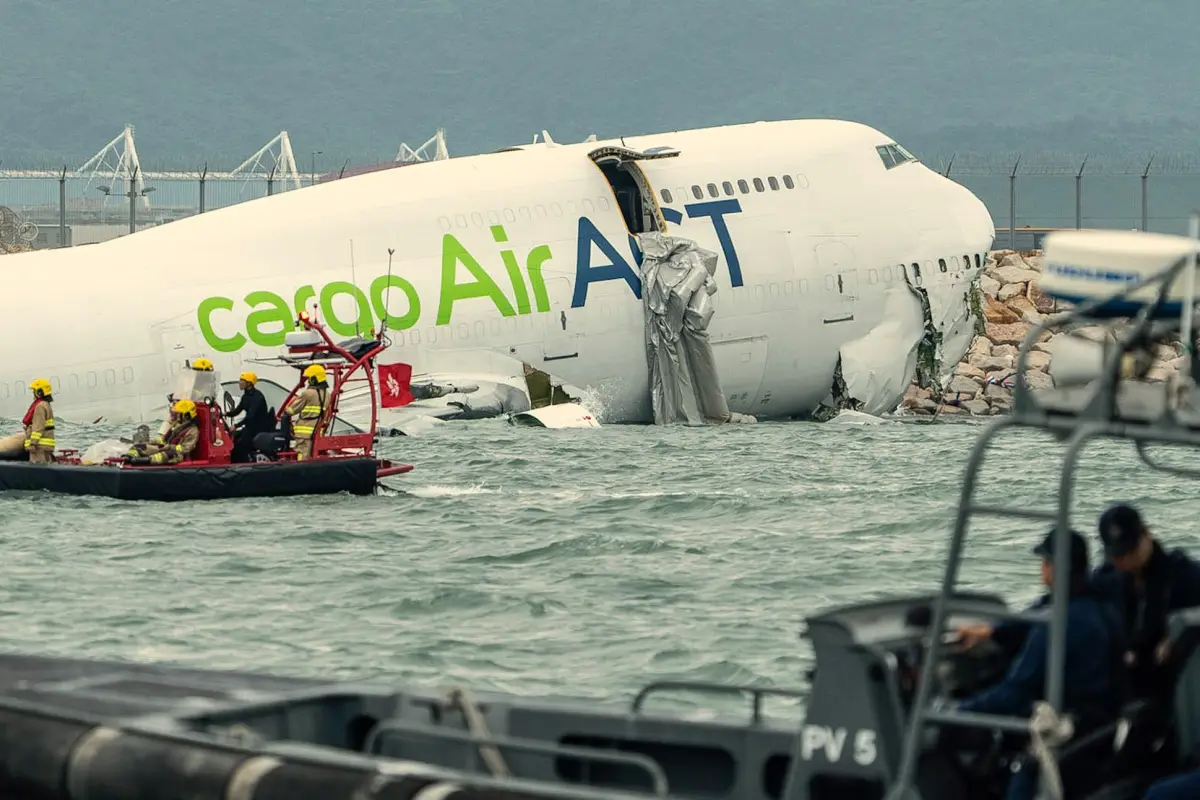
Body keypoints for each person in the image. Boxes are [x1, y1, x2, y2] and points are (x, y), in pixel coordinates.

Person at [953, 528, 1123, 800]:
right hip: (1103, 725)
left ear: (1054, 567)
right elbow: (1036, 611)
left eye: (1045, 562)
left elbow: (1014, 693)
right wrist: (993, 631)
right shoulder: (1101, 606)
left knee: (1018, 762)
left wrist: (956, 711)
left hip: (1071, 730)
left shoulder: (1054, 625)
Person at [1090, 503, 1200, 704]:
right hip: (1122, 685)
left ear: (1146, 534)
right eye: (1119, 555)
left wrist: (1178, 636)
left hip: (1169, 686)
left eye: (1131, 550)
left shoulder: (1183, 575)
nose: (1127, 559)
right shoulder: (1106, 581)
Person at [126, 399, 200, 466]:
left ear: (186, 415)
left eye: (178, 413)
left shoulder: (193, 431)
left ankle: (140, 461)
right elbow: (164, 439)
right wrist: (150, 441)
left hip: (178, 455)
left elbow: (185, 449)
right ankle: (128, 458)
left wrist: (169, 447)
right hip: (165, 447)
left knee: (163, 456)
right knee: (139, 446)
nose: (176, 415)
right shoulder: (177, 424)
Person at [282, 364, 328, 460]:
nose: (308, 381)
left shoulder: (307, 393)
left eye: (309, 378)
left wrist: (286, 409)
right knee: (312, 454)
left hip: (304, 431)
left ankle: (300, 471)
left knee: (302, 453)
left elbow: (291, 411)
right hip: (317, 430)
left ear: (314, 379)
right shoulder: (327, 394)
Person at [228, 371, 272, 463]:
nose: (239, 383)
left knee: (239, 446)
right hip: (249, 427)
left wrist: (236, 426)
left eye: (242, 381)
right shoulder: (245, 396)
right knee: (233, 437)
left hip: (257, 428)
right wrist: (224, 414)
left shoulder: (257, 397)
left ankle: (242, 463)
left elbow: (250, 417)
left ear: (249, 383)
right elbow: (237, 410)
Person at [22, 378, 56, 464]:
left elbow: (38, 427)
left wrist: (32, 444)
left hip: (39, 447)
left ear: (39, 392)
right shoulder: (46, 405)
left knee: (37, 471)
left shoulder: (39, 406)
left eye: (34, 391)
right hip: (46, 446)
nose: (33, 393)